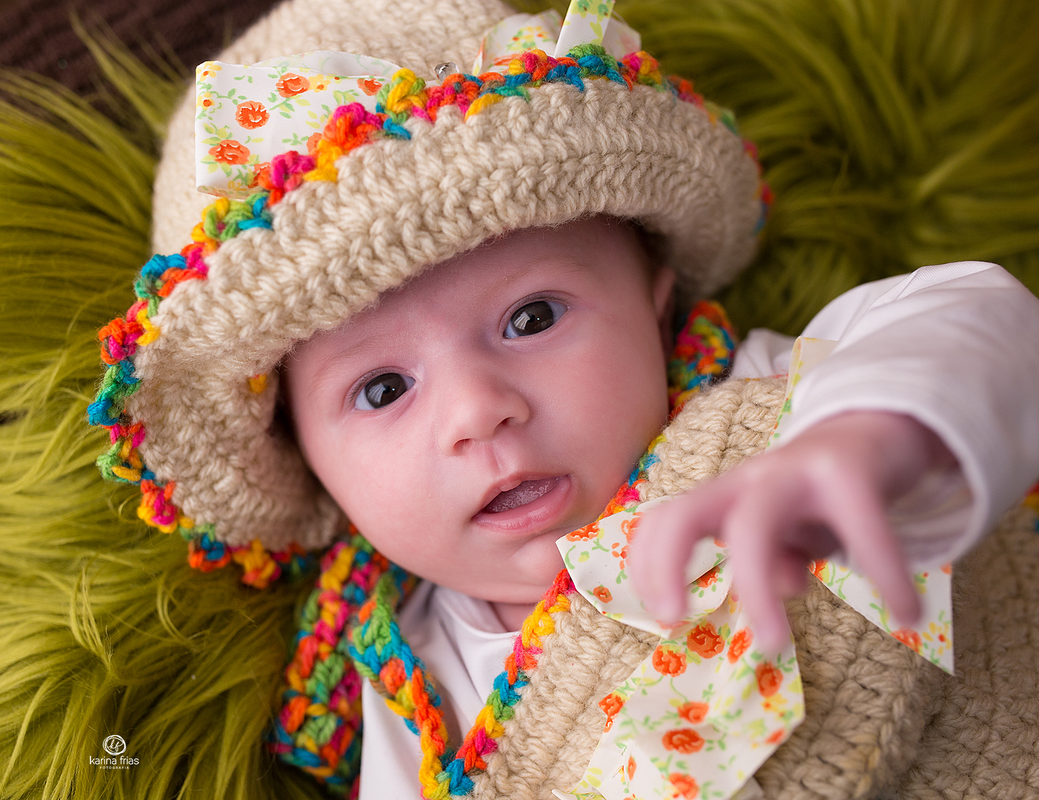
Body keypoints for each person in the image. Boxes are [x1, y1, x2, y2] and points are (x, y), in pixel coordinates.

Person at [88, 0, 1039, 796]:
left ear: (654, 303)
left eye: (533, 317)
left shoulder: (768, 400)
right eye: (382, 388)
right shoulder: (397, 680)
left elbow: (980, 318)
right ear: (305, 457)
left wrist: (880, 433)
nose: (478, 411)